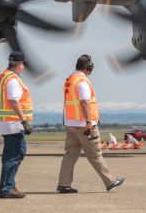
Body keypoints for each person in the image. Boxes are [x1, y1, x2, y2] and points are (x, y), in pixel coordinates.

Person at [57, 54, 125, 193]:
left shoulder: (70, 79)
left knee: (70, 155)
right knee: (95, 155)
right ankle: (110, 182)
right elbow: (84, 102)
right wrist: (88, 122)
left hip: (71, 124)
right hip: (84, 125)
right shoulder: (82, 81)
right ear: (88, 67)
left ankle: (64, 185)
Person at [0, 52, 33, 199]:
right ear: (18, 64)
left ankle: (9, 183)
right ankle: (6, 188)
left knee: (14, 154)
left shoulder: (3, 76)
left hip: (6, 122)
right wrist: (24, 121)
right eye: (23, 64)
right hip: (13, 122)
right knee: (14, 155)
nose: (23, 67)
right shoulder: (12, 79)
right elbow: (14, 101)